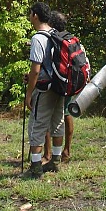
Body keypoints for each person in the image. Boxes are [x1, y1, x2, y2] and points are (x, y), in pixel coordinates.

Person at [24, 2, 65, 178]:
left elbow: (35, 70)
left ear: (35, 15)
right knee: (58, 122)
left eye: (30, 13)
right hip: (61, 85)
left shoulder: (37, 38)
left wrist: (28, 94)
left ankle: (35, 167)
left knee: (37, 125)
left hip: (45, 88)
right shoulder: (56, 34)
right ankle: (55, 161)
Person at [43, 10, 75, 165]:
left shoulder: (53, 40)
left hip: (56, 83)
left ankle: (48, 154)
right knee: (67, 113)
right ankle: (66, 151)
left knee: (49, 116)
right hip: (70, 83)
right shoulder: (72, 39)